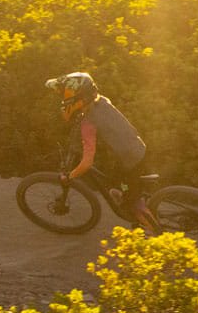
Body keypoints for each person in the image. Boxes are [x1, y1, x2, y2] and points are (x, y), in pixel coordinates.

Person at [45, 71, 151, 223]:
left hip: (131, 161)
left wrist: (70, 176)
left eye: (66, 96)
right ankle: (128, 192)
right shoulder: (100, 101)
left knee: (131, 205)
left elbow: (87, 163)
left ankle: (153, 230)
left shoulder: (89, 124)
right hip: (134, 148)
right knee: (117, 180)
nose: (63, 100)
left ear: (79, 99)